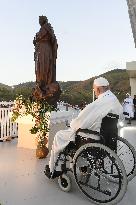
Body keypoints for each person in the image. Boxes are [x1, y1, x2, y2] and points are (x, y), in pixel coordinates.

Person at [44, 77, 124, 178]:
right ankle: (83, 167)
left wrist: (72, 124)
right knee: (71, 135)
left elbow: (80, 122)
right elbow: (121, 118)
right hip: (108, 138)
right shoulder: (114, 100)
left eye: (94, 90)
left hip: (93, 138)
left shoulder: (99, 103)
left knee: (59, 136)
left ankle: (55, 169)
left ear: (98, 89)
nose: (95, 92)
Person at [33, 15, 58, 91]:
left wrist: (37, 38)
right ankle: (41, 83)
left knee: (45, 65)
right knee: (40, 66)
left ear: (43, 20)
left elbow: (41, 37)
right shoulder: (44, 28)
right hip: (41, 48)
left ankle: (45, 83)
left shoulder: (46, 27)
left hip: (45, 48)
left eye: (40, 20)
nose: (39, 22)